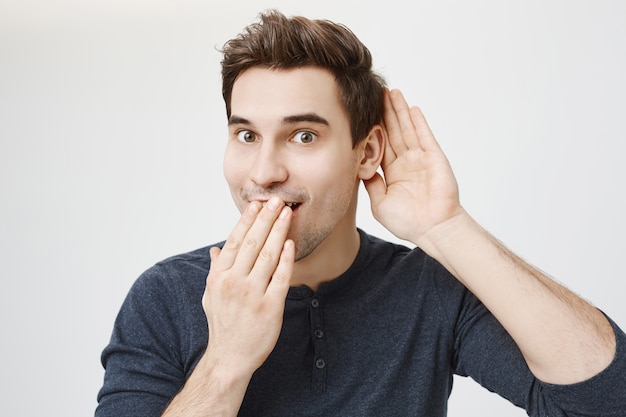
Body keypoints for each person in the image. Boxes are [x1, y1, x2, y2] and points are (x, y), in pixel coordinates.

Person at [96, 10, 626, 417]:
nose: (264, 172)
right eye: (246, 134)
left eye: (303, 135)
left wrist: (445, 227)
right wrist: (226, 361)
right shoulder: (166, 297)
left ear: (366, 152)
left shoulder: (430, 289)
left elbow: (604, 400)